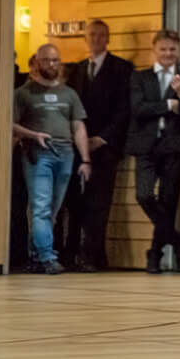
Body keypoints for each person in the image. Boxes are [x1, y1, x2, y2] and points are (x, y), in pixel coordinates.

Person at [11, 44, 90, 274]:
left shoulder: (69, 94)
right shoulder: (24, 93)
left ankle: (35, 256)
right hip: (38, 153)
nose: (51, 64)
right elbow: (9, 123)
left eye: (55, 60)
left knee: (53, 210)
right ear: (37, 62)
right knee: (41, 206)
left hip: (66, 154)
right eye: (46, 60)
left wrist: (85, 160)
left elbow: (78, 126)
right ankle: (47, 257)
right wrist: (33, 135)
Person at [61, 21, 132, 271]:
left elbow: (124, 109)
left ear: (108, 38)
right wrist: (80, 139)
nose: (96, 39)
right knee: (75, 202)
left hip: (106, 147)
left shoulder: (122, 68)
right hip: (77, 146)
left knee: (99, 204)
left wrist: (101, 139)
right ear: (85, 38)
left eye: (101, 35)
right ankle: (72, 254)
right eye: (92, 35)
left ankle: (92, 257)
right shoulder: (77, 70)